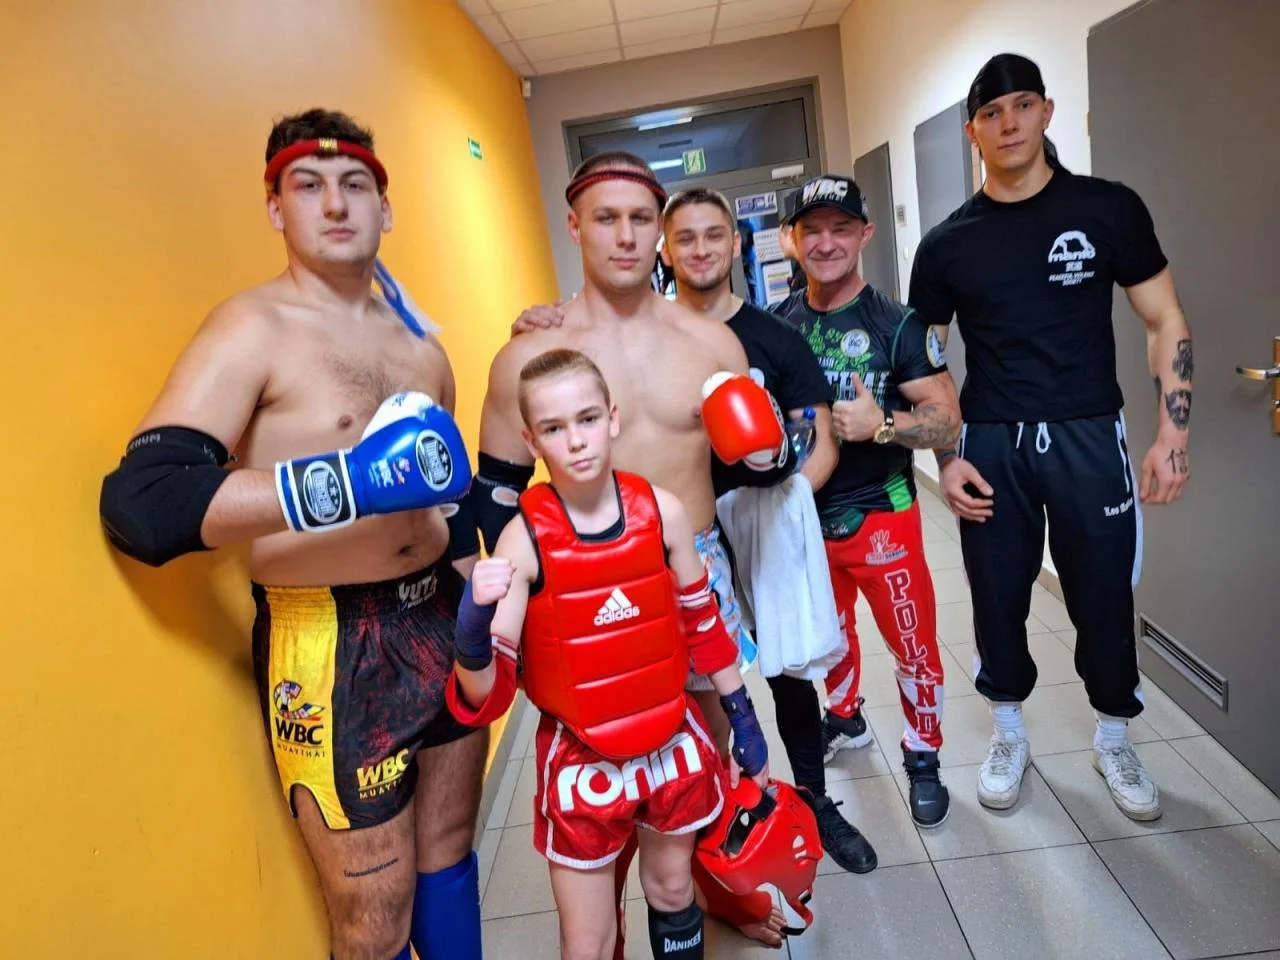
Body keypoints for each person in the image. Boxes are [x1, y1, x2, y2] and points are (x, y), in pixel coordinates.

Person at [98, 109, 487, 960]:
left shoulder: (420, 343)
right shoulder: (251, 328)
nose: (335, 204)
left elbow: (444, 495)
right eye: (308, 186)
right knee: (372, 920)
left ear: (386, 207)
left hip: (439, 614)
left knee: (450, 858)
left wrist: (487, 606)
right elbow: (144, 504)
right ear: (276, 207)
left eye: (356, 185)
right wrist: (347, 484)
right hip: (331, 642)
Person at [508, 185, 879, 874]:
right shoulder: (615, 337)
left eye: (715, 235)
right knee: (667, 708)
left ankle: (812, 803)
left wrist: (778, 481)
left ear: (737, 244)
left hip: (757, 527)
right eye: (686, 237)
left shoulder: (773, 336)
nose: (701, 249)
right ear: (667, 249)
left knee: (786, 675)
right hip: (670, 545)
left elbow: (816, 440)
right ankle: (688, 853)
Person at [473, 150, 791, 948]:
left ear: (660, 231)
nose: (624, 236)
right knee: (596, 778)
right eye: (605, 218)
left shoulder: (712, 343)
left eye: (640, 219)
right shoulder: (529, 354)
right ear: (573, 226)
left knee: (701, 765)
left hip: (692, 565)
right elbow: (494, 495)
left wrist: (773, 448)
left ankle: (705, 895)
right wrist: (509, 606)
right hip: (579, 583)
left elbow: (756, 462)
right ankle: (600, 929)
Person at [910, 53, 1193, 821]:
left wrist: (1173, 431)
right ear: (972, 132)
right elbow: (926, 361)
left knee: (1102, 597)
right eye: (991, 112)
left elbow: (1164, 317)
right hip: (992, 440)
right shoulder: (946, 245)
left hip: (1087, 433)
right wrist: (947, 457)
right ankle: (1009, 734)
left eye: (1022, 105)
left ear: (1047, 111)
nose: (1008, 123)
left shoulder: (1107, 210)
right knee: (998, 597)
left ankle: (1114, 738)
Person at [447, 348, 772, 960]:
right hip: (581, 752)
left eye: (588, 418)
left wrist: (745, 720)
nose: (576, 440)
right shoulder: (523, 540)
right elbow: (486, 695)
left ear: (613, 417)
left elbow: (704, 626)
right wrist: (471, 631)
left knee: (673, 889)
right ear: (530, 440)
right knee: (588, 940)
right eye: (553, 428)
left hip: (670, 738)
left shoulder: (663, 512)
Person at [772, 173, 963, 828]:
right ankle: (846, 716)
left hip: (882, 513)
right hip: (805, 518)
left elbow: (946, 420)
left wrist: (882, 424)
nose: (826, 243)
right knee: (831, 636)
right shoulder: (779, 324)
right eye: (812, 230)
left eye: (841, 228)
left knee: (912, 642)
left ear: (865, 235)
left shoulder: (898, 324)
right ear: (790, 240)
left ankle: (923, 752)